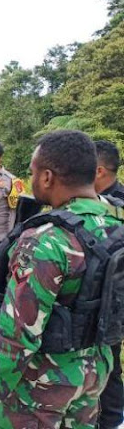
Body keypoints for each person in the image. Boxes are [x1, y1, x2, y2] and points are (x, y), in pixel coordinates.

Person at [0, 130, 123, 428]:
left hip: (41, 384)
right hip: (94, 373)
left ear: (47, 177)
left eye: (33, 172)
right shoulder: (116, 224)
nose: (31, 180)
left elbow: (19, 332)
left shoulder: (47, 240)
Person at [94, 140, 124, 429]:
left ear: (99, 170)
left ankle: (112, 419)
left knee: (110, 364)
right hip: (100, 299)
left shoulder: (117, 205)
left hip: (113, 301)